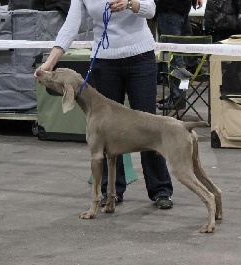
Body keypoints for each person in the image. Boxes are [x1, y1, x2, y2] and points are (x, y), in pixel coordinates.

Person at [34, 0, 174, 209]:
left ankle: (160, 190)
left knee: (150, 126)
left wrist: (130, 4)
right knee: (106, 133)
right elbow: (71, 26)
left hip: (140, 59)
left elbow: (151, 10)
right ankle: (112, 191)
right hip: (104, 62)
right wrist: (50, 63)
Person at [156, 0, 203, 111]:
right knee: (178, 57)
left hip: (170, 10)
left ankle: (178, 98)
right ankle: (177, 96)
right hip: (181, 9)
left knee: (174, 58)